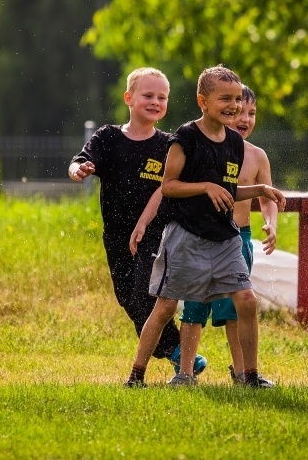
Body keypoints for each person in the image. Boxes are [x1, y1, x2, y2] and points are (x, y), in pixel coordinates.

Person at [124, 65, 285, 388]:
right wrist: (205, 187)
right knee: (167, 305)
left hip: (225, 238)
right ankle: (136, 375)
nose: (234, 106)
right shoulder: (185, 137)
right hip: (186, 236)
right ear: (203, 101)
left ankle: (249, 377)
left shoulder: (235, 145)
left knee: (247, 301)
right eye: (225, 98)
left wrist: (260, 191)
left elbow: (227, 190)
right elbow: (169, 186)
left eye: (238, 99)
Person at [68, 67, 206, 374]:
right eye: (148, 95)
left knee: (146, 294)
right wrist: (79, 170)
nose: (155, 101)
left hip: (158, 233)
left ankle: (178, 354)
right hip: (116, 234)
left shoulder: (170, 144)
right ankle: (172, 348)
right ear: (129, 98)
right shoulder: (109, 137)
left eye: (162, 97)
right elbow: (79, 160)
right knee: (127, 297)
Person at [176, 84, 280, 385]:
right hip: (201, 236)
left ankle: (243, 372)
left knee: (237, 308)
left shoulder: (257, 156)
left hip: (239, 238)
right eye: (239, 111)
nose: (244, 118)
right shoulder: (206, 149)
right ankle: (184, 372)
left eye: (252, 113)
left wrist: (271, 224)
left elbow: (268, 197)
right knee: (194, 307)